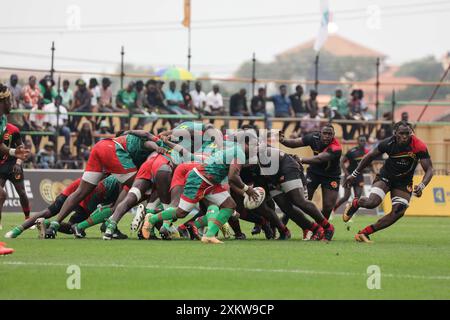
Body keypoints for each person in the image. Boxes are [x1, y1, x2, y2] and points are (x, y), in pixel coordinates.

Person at [43, 130, 164, 238]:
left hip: (99, 147)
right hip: (113, 151)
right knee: (141, 189)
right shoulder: (148, 142)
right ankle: (140, 215)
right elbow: (148, 140)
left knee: (80, 193)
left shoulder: (126, 141)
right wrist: (156, 145)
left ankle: (54, 225)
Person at [343, 121, 433, 243]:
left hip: (403, 182)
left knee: (399, 211)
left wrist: (422, 185)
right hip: (386, 176)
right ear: (395, 133)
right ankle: (356, 203)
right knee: (372, 203)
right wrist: (354, 174)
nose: (405, 136)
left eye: (408, 133)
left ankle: (364, 233)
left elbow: (429, 170)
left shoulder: (419, 146)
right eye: (402, 133)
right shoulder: (388, 143)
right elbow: (370, 157)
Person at [280, 124, 342, 220]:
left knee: (328, 206)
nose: (327, 136)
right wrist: (283, 140)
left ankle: (323, 229)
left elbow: (320, 159)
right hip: (314, 173)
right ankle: (283, 227)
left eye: (330, 134)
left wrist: (300, 159)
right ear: (320, 133)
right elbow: (294, 143)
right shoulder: (313, 137)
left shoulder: (336, 147)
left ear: (333, 135)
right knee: (300, 200)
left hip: (331, 176)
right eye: (325, 133)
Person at [0, 123, 31, 230]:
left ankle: (27, 218)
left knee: (22, 193)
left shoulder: (13, 129)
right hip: (1, 167)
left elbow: (21, 147)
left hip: (13, 165)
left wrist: (18, 163)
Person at [334, 135, 370, 212]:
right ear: (357, 141)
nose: (362, 142)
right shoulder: (352, 151)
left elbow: (368, 163)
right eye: (361, 140)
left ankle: (350, 212)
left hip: (359, 176)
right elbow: (341, 162)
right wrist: (347, 174)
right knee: (346, 197)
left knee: (358, 197)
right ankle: (334, 208)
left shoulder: (367, 152)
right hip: (349, 176)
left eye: (364, 141)